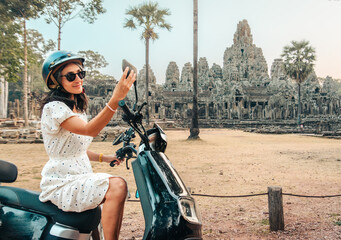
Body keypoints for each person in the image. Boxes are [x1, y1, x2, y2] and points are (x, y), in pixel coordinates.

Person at [39, 50, 135, 240]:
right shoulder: (54, 108)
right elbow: (90, 130)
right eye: (70, 76)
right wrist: (115, 99)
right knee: (117, 186)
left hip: (80, 174)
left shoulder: (75, 108)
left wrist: (105, 158)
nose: (78, 79)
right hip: (61, 180)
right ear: (56, 81)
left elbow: (76, 148)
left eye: (80, 73)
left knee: (96, 222)